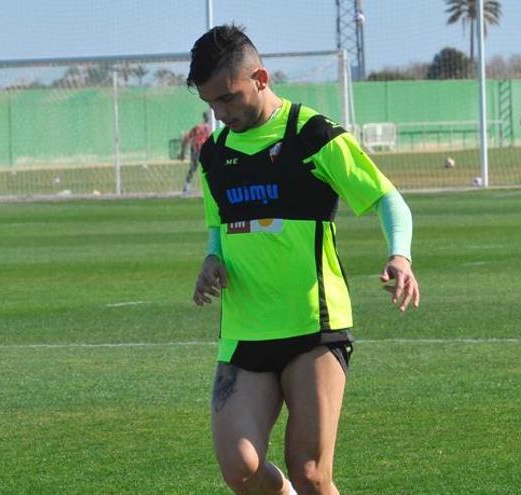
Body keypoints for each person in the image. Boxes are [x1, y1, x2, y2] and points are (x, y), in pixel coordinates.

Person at [188, 25, 420, 495]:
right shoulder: (214, 154)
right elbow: (219, 224)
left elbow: (387, 199)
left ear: (260, 77)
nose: (220, 113)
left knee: (311, 472)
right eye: (211, 104)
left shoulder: (312, 134)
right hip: (244, 330)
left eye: (228, 99)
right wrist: (213, 258)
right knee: (241, 467)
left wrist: (400, 255)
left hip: (314, 327)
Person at [180, 111, 213, 194]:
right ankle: (187, 187)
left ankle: (186, 186)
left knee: (194, 168)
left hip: (197, 150)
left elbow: (186, 137)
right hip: (199, 150)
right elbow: (187, 137)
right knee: (206, 168)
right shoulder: (207, 128)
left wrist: (183, 151)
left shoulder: (199, 127)